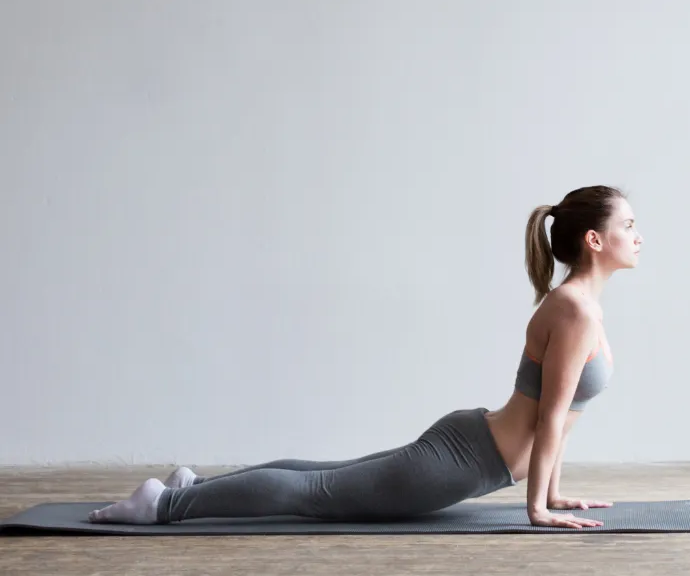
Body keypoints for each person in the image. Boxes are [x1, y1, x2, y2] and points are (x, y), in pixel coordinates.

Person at [87, 185, 643, 530]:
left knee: (325, 476)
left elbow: (560, 417)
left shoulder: (579, 306)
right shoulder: (576, 311)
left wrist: (552, 493)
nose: (638, 237)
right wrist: (537, 509)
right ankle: (162, 505)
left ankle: (191, 486)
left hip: (474, 447)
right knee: (318, 494)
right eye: (629, 226)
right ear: (594, 240)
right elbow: (550, 419)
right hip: (470, 460)